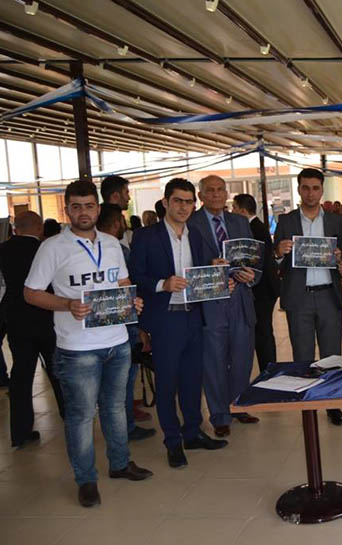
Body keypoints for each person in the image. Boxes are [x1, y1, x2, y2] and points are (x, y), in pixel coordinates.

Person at [24, 179, 152, 507]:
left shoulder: (111, 243)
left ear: (98, 208)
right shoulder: (52, 247)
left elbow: (122, 281)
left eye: (89, 206)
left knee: (116, 407)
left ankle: (120, 463)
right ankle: (86, 479)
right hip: (77, 348)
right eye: (76, 206)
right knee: (81, 416)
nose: (83, 212)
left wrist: (131, 300)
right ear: (67, 210)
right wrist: (67, 304)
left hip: (117, 341)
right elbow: (31, 293)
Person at [130, 178, 229, 468]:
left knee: (192, 379)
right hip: (165, 318)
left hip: (193, 315)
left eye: (188, 202)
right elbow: (135, 276)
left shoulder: (195, 235)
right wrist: (163, 284)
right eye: (178, 201)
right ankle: (173, 441)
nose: (184, 207)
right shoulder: (146, 236)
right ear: (165, 202)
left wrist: (214, 271)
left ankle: (193, 432)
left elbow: (199, 273)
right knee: (167, 382)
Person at [274, 168, 342, 426]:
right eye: (305, 187)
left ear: (321, 190)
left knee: (332, 354)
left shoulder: (336, 221)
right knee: (303, 354)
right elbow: (275, 260)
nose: (310, 193)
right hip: (299, 297)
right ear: (299, 189)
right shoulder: (286, 221)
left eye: (315, 188)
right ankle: (307, 402)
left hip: (328, 294)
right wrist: (279, 252)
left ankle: (332, 404)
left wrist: (341, 259)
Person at [188, 175, 259, 437]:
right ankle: (219, 415)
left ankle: (239, 405)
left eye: (220, 190)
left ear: (226, 193)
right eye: (210, 190)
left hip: (240, 297)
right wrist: (210, 267)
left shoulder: (239, 222)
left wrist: (252, 276)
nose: (216, 194)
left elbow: (253, 259)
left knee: (242, 357)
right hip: (210, 301)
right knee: (214, 360)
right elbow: (187, 263)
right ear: (201, 195)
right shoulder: (191, 224)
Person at [1, 211, 64, 448]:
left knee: (21, 375)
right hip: (46, 317)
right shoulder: (46, 249)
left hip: (16, 321)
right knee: (57, 370)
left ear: (16, 228)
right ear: (39, 227)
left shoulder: (3, 250)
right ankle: (70, 415)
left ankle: (20, 432)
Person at [96, 204, 155, 442]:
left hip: (97, 327)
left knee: (109, 386)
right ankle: (125, 427)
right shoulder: (118, 250)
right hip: (122, 326)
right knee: (122, 383)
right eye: (121, 220)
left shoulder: (98, 248)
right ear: (115, 223)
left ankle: (119, 429)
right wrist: (141, 328)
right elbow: (131, 290)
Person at [232, 193, 279, 373]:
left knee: (263, 333)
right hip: (261, 290)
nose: (232, 212)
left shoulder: (255, 229)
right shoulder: (254, 226)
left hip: (262, 290)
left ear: (243, 211)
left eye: (235, 208)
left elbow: (258, 262)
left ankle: (269, 371)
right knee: (261, 332)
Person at [100, 175, 131, 247]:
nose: (129, 198)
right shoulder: (103, 220)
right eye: (126, 193)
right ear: (115, 196)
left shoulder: (118, 217)